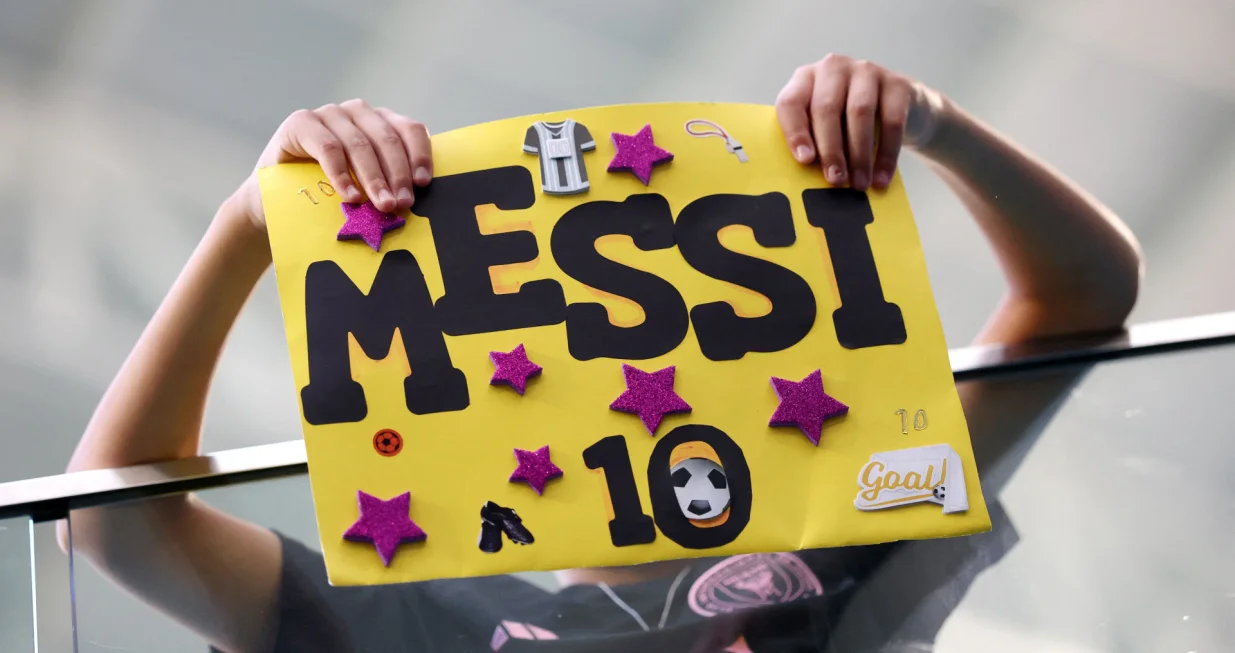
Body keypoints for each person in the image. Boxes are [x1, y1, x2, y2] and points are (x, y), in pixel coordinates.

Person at [61, 54, 1143, 653]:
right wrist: (252, 220)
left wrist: (934, 126)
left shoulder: (837, 540)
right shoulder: (428, 621)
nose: (622, 396)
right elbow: (113, 519)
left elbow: (1082, 304)